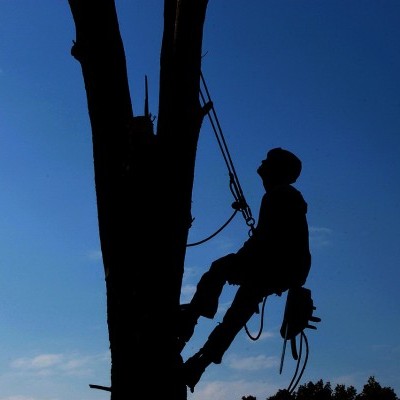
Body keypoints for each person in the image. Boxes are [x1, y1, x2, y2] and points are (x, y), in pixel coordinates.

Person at [178, 147, 312, 393]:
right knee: (240, 310)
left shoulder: (277, 196)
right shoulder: (286, 196)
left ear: (277, 170)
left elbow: (264, 240)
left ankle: (188, 323)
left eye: (268, 161)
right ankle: (200, 363)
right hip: (289, 268)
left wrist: (238, 264)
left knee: (220, 269)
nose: (262, 162)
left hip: (277, 264)